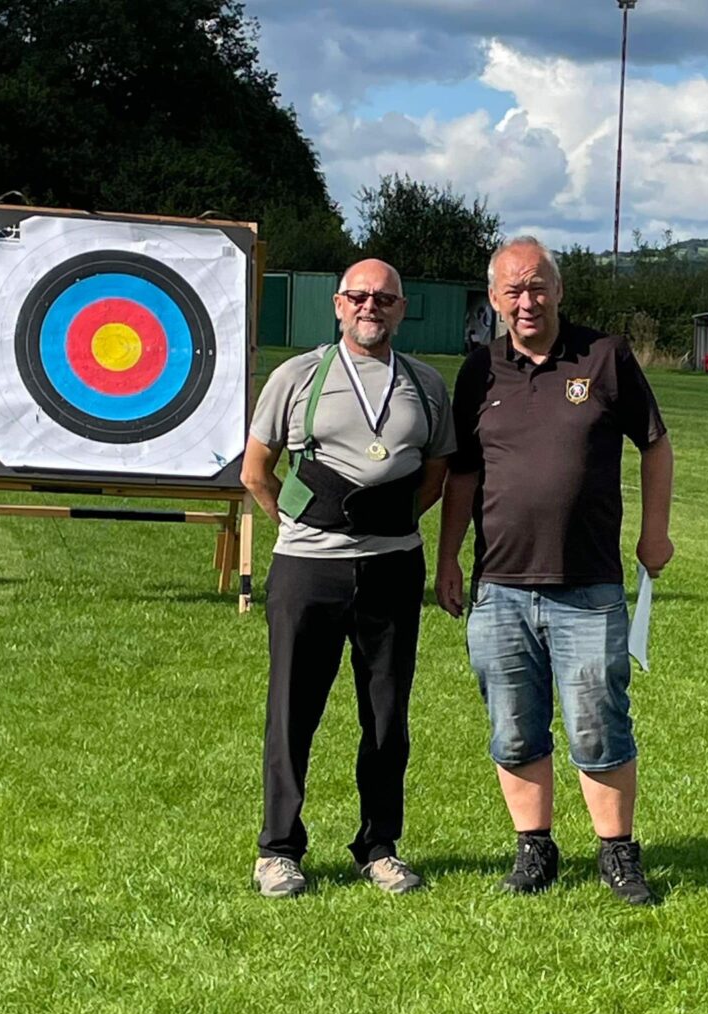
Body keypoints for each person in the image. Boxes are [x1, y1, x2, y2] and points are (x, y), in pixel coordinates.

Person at [436, 237, 674, 906]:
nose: (526, 300)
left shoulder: (603, 356)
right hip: (500, 588)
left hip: (588, 584)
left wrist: (653, 533)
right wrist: (448, 555)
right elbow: (462, 473)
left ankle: (617, 855)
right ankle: (533, 849)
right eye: (512, 290)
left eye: (537, 286)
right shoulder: (478, 371)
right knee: (513, 725)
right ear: (492, 300)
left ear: (558, 290)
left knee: (599, 722)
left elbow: (654, 445)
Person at [241, 258, 456, 897]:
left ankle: (379, 846)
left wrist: (387, 526)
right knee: (292, 710)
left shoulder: (425, 384)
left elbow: (437, 473)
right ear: (338, 305)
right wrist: (305, 525)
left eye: (384, 298)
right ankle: (278, 850)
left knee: (387, 715)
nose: (371, 307)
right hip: (309, 568)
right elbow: (256, 470)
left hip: (394, 568)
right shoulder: (296, 376)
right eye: (359, 297)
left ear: (402, 307)